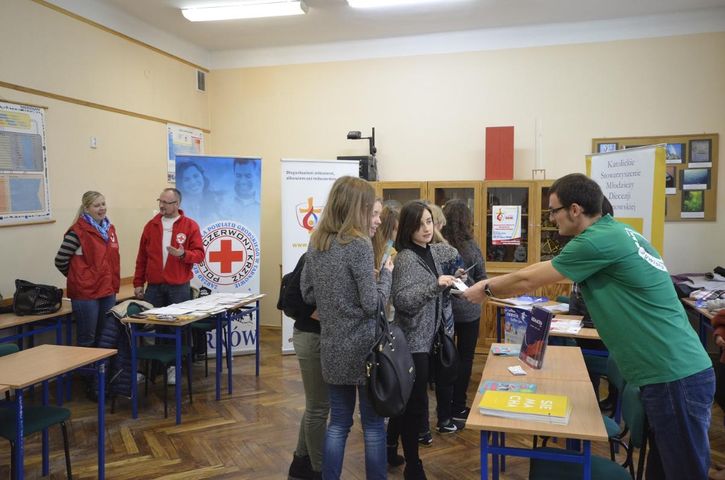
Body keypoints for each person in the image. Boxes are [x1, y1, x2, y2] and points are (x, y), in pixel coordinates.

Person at [463, 173, 714, 480]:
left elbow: (528, 278)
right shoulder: (618, 231)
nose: (551, 218)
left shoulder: (595, 241)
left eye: (554, 210)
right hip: (671, 371)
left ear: (575, 210)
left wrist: (485, 288)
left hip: (673, 374)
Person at [300, 176, 393, 480]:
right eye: (370, 209)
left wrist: (336, 298)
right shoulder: (358, 244)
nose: (375, 217)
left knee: (338, 424)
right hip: (365, 350)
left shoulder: (317, 242)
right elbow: (371, 304)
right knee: (374, 426)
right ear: (358, 207)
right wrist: (386, 277)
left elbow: (307, 293)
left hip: (332, 346)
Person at [390, 200, 458, 479]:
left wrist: (453, 279)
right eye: (419, 224)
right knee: (414, 405)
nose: (426, 229)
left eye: (429, 221)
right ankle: (413, 466)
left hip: (428, 338)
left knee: (408, 402)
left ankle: (389, 447)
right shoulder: (406, 258)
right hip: (412, 342)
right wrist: (435, 285)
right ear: (408, 227)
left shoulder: (430, 251)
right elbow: (402, 300)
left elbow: (452, 252)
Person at [133, 188, 205, 381]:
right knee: (149, 326)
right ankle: (147, 369)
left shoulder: (190, 225)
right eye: (160, 201)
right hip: (154, 286)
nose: (162, 205)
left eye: (166, 202)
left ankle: (174, 367)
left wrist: (183, 254)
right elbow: (142, 257)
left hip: (178, 286)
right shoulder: (151, 226)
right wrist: (138, 282)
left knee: (176, 328)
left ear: (177, 204)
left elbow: (199, 255)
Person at [441, 199, 487, 427]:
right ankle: (459, 405)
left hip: (445, 312)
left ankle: (444, 409)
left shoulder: (438, 247)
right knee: (465, 357)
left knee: (445, 357)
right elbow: (483, 278)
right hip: (469, 310)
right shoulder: (472, 247)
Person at [55, 191, 120, 348]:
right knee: (88, 338)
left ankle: (103, 365)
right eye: (96, 205)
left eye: (103, 204)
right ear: (86, 208)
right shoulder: (77, 232)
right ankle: (87, 366)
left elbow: (112, 260)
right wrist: (79, 277)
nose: (102, 208)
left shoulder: (109, 229)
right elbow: (60, 260)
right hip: (86, 293)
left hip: (107, 289)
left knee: (105, 337)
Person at [175, 161, 222, 227]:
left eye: (196, 176)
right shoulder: (179, 209)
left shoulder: (218, 199)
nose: (193, 182)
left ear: (202, 176)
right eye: (186, 179)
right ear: (181, 184)